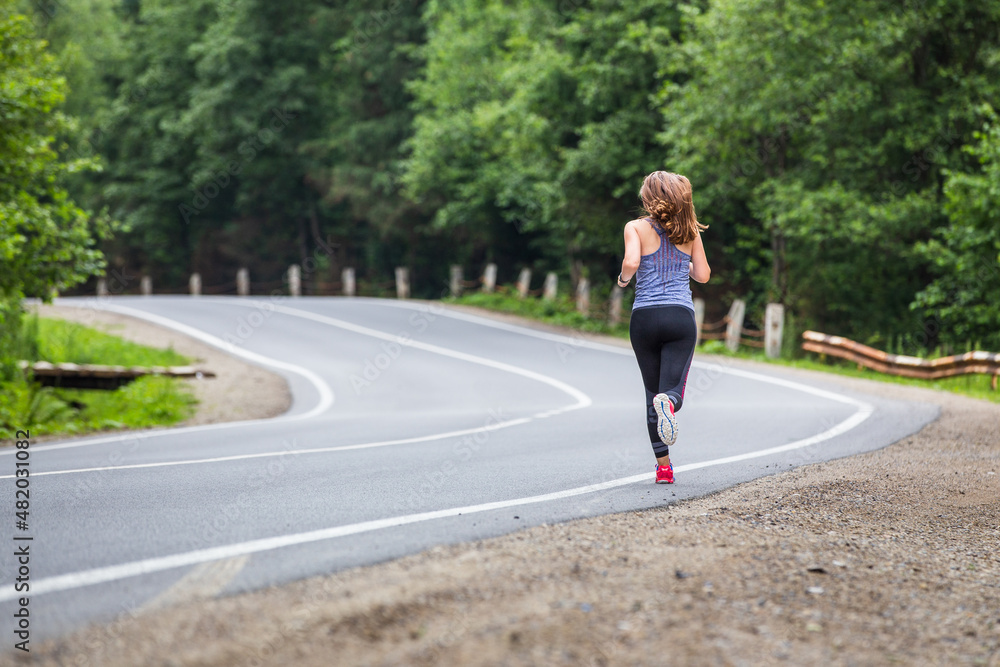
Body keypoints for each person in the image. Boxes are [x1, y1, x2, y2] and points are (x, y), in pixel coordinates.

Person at [616, 171, 711, 484]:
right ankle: (668, 403)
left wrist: (623, 280)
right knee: (672, 391)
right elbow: (704, 274)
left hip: (644, 319)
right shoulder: (690, 232)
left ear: (647, 198)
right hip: (679, 317)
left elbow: (631, 263)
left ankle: (664, 469)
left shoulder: (635, 227)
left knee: (650, 393)